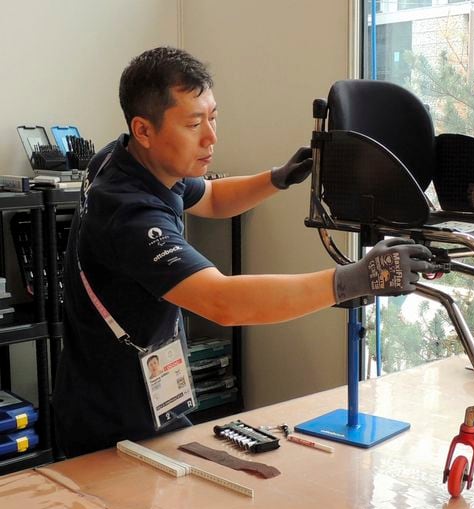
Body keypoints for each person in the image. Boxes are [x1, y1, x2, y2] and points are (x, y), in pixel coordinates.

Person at [52, 46, 435, 457]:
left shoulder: (129, 158)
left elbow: (212, 198)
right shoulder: (128, 213)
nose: (211, 137)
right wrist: (352, 280)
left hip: (148, 401)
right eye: (194, 124)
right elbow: (224, 302)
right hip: (112, 424)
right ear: (144, 130)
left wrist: (275, 179)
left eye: (213, 118)